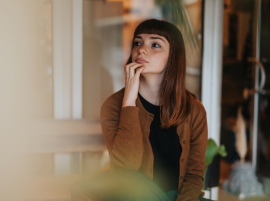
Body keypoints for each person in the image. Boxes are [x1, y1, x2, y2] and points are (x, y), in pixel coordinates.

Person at [70, 19, 212, 201]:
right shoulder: (113, 105)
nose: (141, 49)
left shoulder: (194, 110)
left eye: (155, 44)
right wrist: (129, 99)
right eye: (138, 42)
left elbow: (194, 175)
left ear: (173, 55)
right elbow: (126, 167)